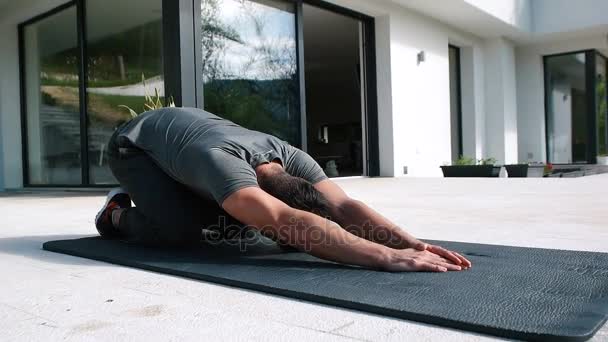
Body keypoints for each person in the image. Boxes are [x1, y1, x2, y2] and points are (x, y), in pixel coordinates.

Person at [95, 107, 471, 272]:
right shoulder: (224, 166)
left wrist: (410, 244)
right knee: (183, 233)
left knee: (234, 222)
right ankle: (115, 214)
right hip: (135, 146)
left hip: (185, 142)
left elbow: (344, 205)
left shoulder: (294, 159)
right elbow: (283, 218)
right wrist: (385, 258)